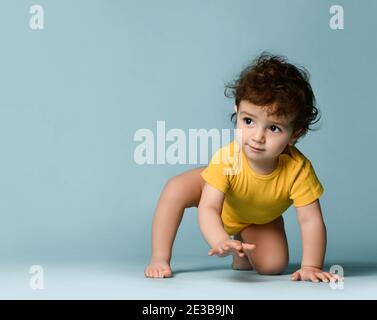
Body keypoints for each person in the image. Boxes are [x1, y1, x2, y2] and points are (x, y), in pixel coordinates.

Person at [145, 53, 341, 283]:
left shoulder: (298, 170)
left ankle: (243, 244)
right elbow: (208, 208)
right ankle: (159, 257)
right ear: (237, 111)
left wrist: (311, 265)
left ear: (295, 134)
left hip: (257, 215)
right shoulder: (227, 158)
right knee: (175, 189)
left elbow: (311, 221)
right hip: (217, 191)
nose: (257, 137)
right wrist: (220, 240)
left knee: (272, 266)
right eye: (248, 121)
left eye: (274, 128)